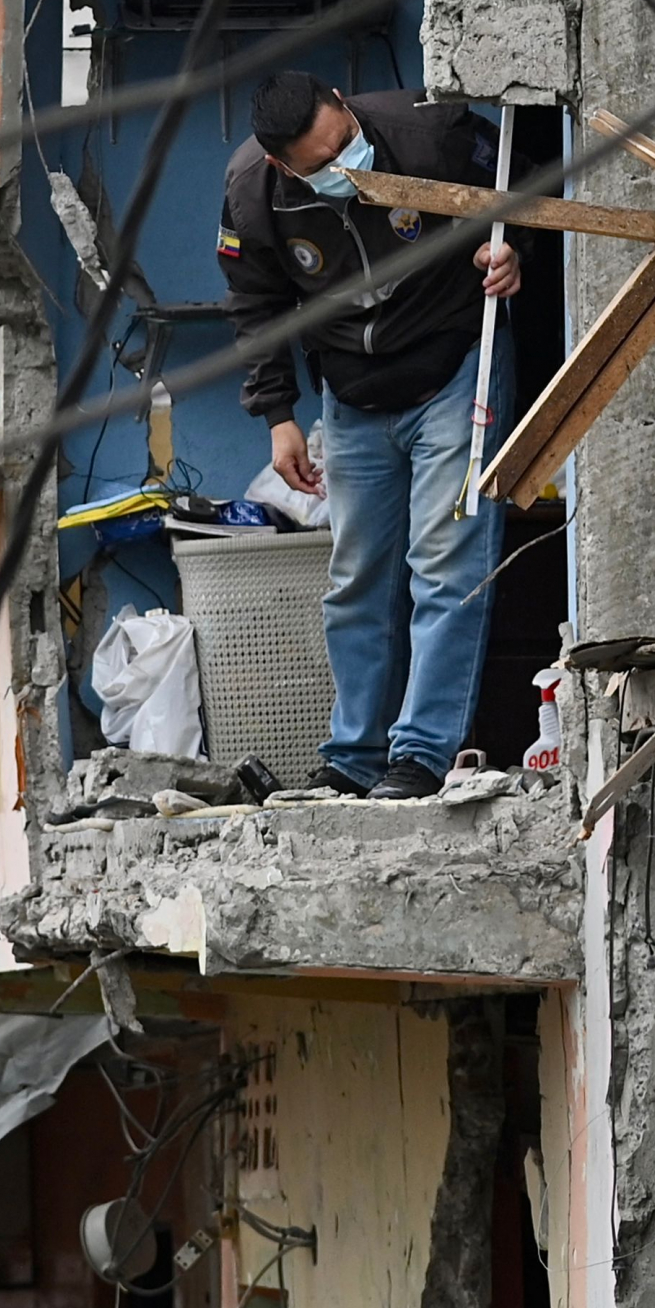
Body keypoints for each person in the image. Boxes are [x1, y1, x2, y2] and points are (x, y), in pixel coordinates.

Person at [218, 73, 522, 800]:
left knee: (445, 565)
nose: (345, 164)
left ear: (343, 106)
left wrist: (505, 254)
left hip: (451, 364)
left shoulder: (431, 132)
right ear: (285, 167)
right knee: (356, 579)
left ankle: (419, 753)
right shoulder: (250, 193)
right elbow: (256, 305)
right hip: (349, 387)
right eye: (325, 162)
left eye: (345, 139)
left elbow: (521, 199)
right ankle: (353, 755)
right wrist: (278, 415)